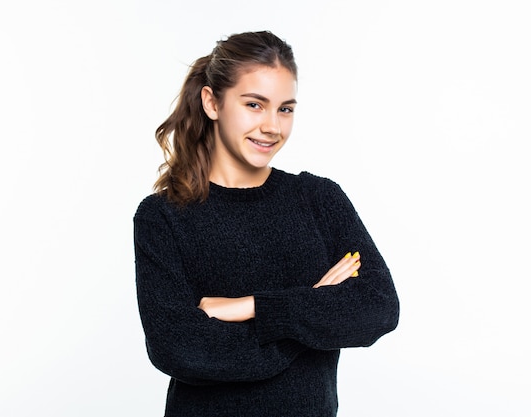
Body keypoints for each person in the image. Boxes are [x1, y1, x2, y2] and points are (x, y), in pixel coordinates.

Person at [134, 30, 399, 417]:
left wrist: (251, 307)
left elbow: (378, 307)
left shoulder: (318, 199)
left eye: (285, 109)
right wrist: (313, 308)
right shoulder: (163, 216)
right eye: (255, 105)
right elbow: (181, 348)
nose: (273, 126)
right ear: (212, 102)